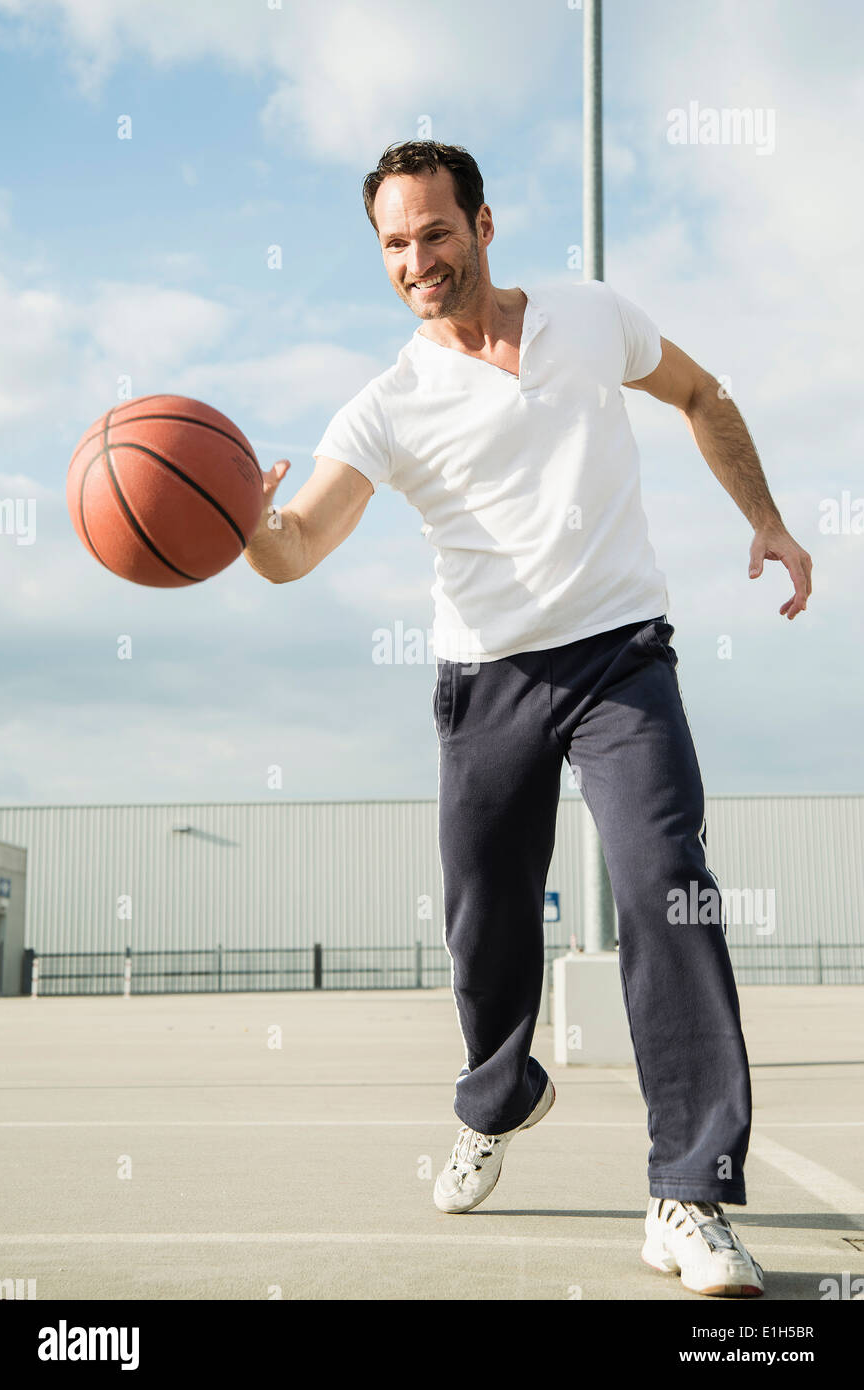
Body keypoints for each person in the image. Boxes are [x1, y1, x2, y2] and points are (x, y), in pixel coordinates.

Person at [244, 140, 812, 1299]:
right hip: (485, 680)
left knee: (668, 881)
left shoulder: (593, 316)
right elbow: (299, 545)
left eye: (435, 232)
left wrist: (766, 518)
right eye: (395, 244)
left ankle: (689, 1196)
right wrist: (243, 526)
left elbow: (705, 394)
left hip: (621, 659)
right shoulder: (389, 405)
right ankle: (498, 1095)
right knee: (486, 928)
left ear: (485, 224)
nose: (418, 260)